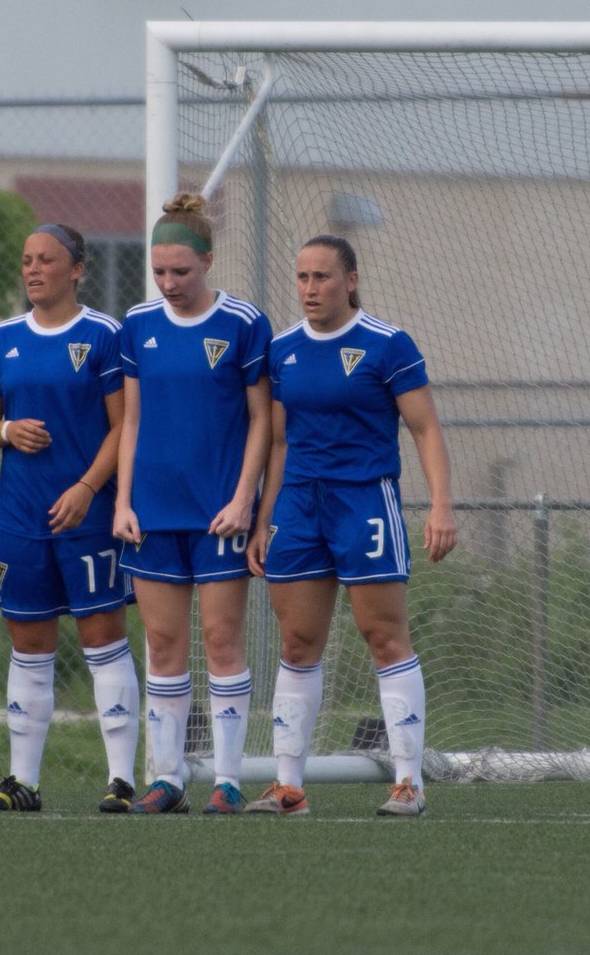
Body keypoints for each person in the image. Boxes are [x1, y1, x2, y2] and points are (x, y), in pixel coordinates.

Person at [244, 235, 458, 817]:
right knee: (297, 643)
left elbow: (426, 429)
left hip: (365, 501)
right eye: (303, 278)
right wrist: (264, 519)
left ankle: (408, 782)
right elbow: (281, 441)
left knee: (384, 638)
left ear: (351, 280)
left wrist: (441, 504)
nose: (310, 289)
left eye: (322, 277)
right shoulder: (284, 349)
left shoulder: (388, 345)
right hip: (298, 507)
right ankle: (289, 788)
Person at [113, 193, 273, 814]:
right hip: (152, 510)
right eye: (159, 271)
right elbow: (131, 420)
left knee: (223, 638)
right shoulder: (137, 324)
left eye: (181, 271)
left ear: (208, 260)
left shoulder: (243, 323)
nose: (169, 283)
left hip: (219, 513)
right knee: (162, 642)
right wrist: (123, 502)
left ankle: (228, 779)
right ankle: (168, 777)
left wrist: (243, 500)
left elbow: (263, 422)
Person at [0, 223, 139, 813]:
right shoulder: (2, 339)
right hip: (20, 512)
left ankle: (121, 780)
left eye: (46, 259)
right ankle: (23, 782)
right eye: (26, 260)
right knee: (30, 645)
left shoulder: (103, 334)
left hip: (86, 512)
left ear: (77, 269)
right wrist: (8, 431)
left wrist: (89, 486)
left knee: (102, 640)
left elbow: (125, 425)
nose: (33, 269)